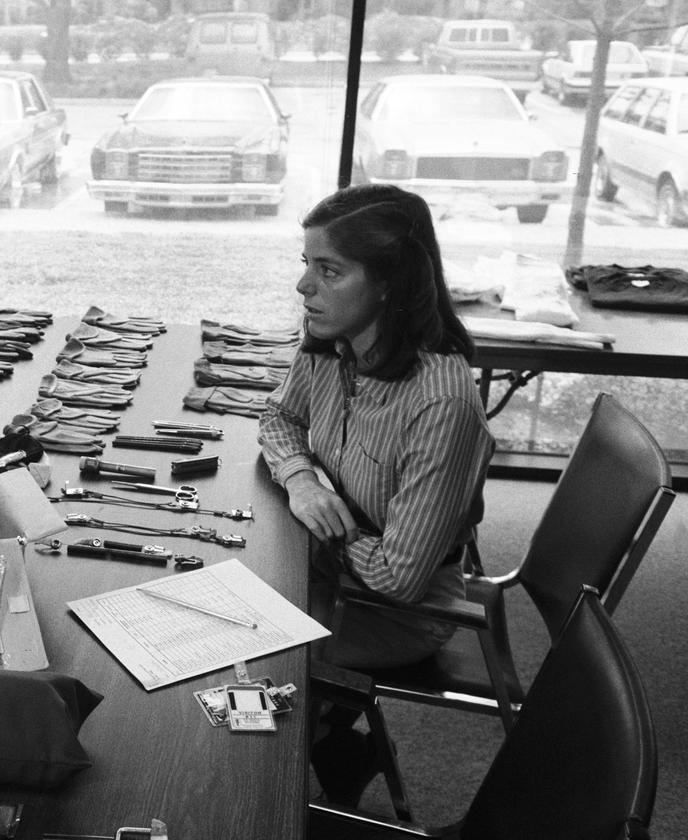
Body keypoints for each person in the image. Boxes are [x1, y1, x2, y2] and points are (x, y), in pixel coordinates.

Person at [257, 184, 494, 803]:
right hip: (331, 573)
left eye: (329, 270)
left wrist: (324, 528)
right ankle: (332, 744)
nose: (304, 286)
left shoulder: (441, 403)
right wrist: (302, 482)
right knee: (222, 596)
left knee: (243, 646)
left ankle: (280, 780)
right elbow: (279, 418)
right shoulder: (332, 343)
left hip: (400, 613)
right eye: (306, 264)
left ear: (390, 283)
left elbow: (399, 578)